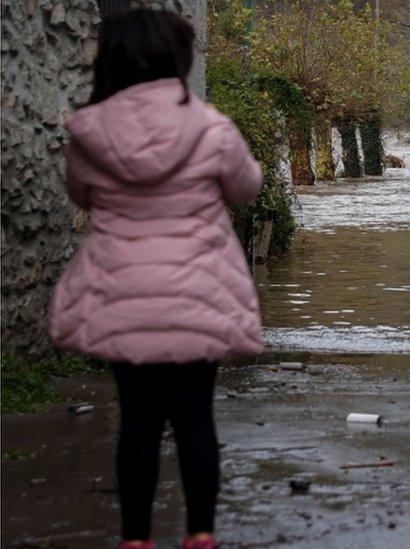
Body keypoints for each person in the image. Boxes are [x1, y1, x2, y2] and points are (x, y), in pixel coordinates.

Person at [49, 8, 264, 549]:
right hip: (198, 293)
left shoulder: (88, 131)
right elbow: (246, 188)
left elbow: (82, 196)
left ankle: (136, 541)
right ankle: (199, 536)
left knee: (138, 421)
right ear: (176, 59)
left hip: (122, 293)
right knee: (196, 419)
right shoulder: (211, 126)